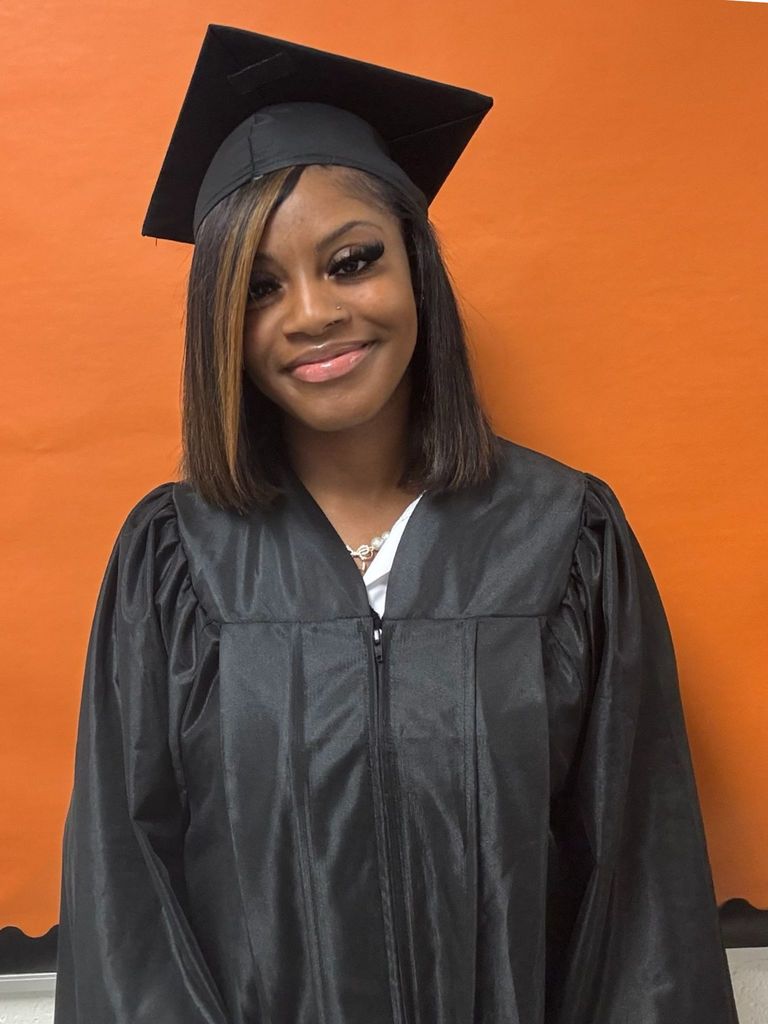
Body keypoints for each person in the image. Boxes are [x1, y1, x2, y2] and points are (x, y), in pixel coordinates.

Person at [53, 24, 739, 1024]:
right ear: (218, 329)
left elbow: (641, 891)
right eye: (258, 288)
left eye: (351, 260)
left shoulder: (567, 539)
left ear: (416, 269)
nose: (311, 315)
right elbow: (128, 904)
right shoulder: (175, 559)